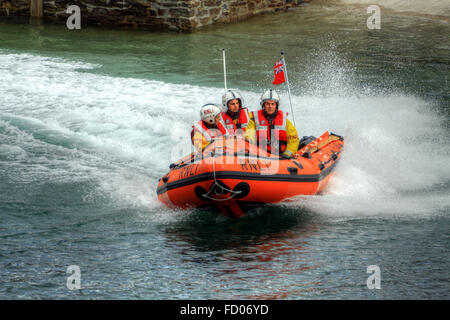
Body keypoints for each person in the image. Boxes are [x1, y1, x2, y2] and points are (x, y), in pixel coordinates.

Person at [246, 89, 299, 158]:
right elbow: (248, 135)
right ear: (263, 105)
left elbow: (293, 139)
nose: (270, 106)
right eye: (267, 104)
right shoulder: (254, 119)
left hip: (280, 156)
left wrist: (287, 154)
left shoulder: (285, 121)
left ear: (276, 106)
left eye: (273, 104)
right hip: (260, 154)